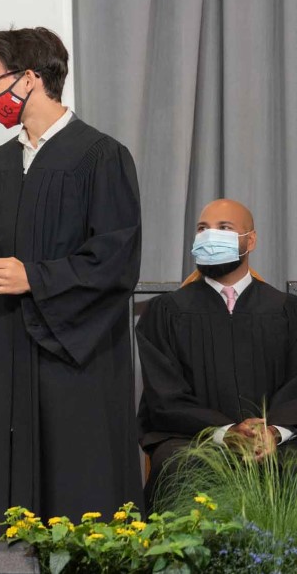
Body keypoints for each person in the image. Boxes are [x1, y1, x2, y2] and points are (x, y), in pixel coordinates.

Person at [0, 27, 142, 537]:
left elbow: (116, 259)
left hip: (72, 357)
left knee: (76, 490)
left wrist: (36, 276)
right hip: (2, 352)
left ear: (30, 79)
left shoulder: (101, 157)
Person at [136, 198, 297, 508]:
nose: (210, 236)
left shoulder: (288, 312)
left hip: (277, 442)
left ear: (250, 240)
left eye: (224, 228)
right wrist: (226, 432)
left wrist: (274, 432)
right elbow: (164, 397)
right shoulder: (166, 313)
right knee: (179, 466)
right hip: (196, 440)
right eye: (202, 229)